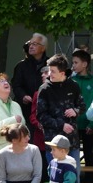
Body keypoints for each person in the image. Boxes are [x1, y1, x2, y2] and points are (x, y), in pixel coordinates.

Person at [37, 54, 86, 183]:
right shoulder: (44, 89)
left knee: (74, 178)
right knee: (55, 177)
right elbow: (41, 116)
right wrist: (61, 125)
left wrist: (75, 111)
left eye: (53, 71)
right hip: (53, 144)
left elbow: (82, 106)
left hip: (72, 142)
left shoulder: (73, 86)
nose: (49, 74)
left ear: (62, 73)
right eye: (49, 70)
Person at [0, 73, 25, 183]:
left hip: (17, 153)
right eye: (1, 81)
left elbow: (23, 127)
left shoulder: (16, 105)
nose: (6, 82)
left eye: (6, 80)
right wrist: (13, 120)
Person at [11, 33, 48, 141]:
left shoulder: (50, 64)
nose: (31, 46)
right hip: (27, 109)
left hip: (46, 109)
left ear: (43, 48)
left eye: (35, 44)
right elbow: (16, 85)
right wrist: (23, 96)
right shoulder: (21, 66)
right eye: (30, 44)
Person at [71, 49, 93, 179]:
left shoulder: (92, 81)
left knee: (90, 155)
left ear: (85, 64)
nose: (73, 65)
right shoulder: (70, 81)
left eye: (75, 62)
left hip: (89, 125)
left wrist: (92, 123)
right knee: (72, 155)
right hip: (72, 125)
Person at [29, 66, 50, 183]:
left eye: (46, 72)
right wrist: (39, 124)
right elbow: (32, 115)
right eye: (42, 73)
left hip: (55, 137)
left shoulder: (61, 92)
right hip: (40, 138)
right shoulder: (37, 93)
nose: (43, 75)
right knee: (41, 172)